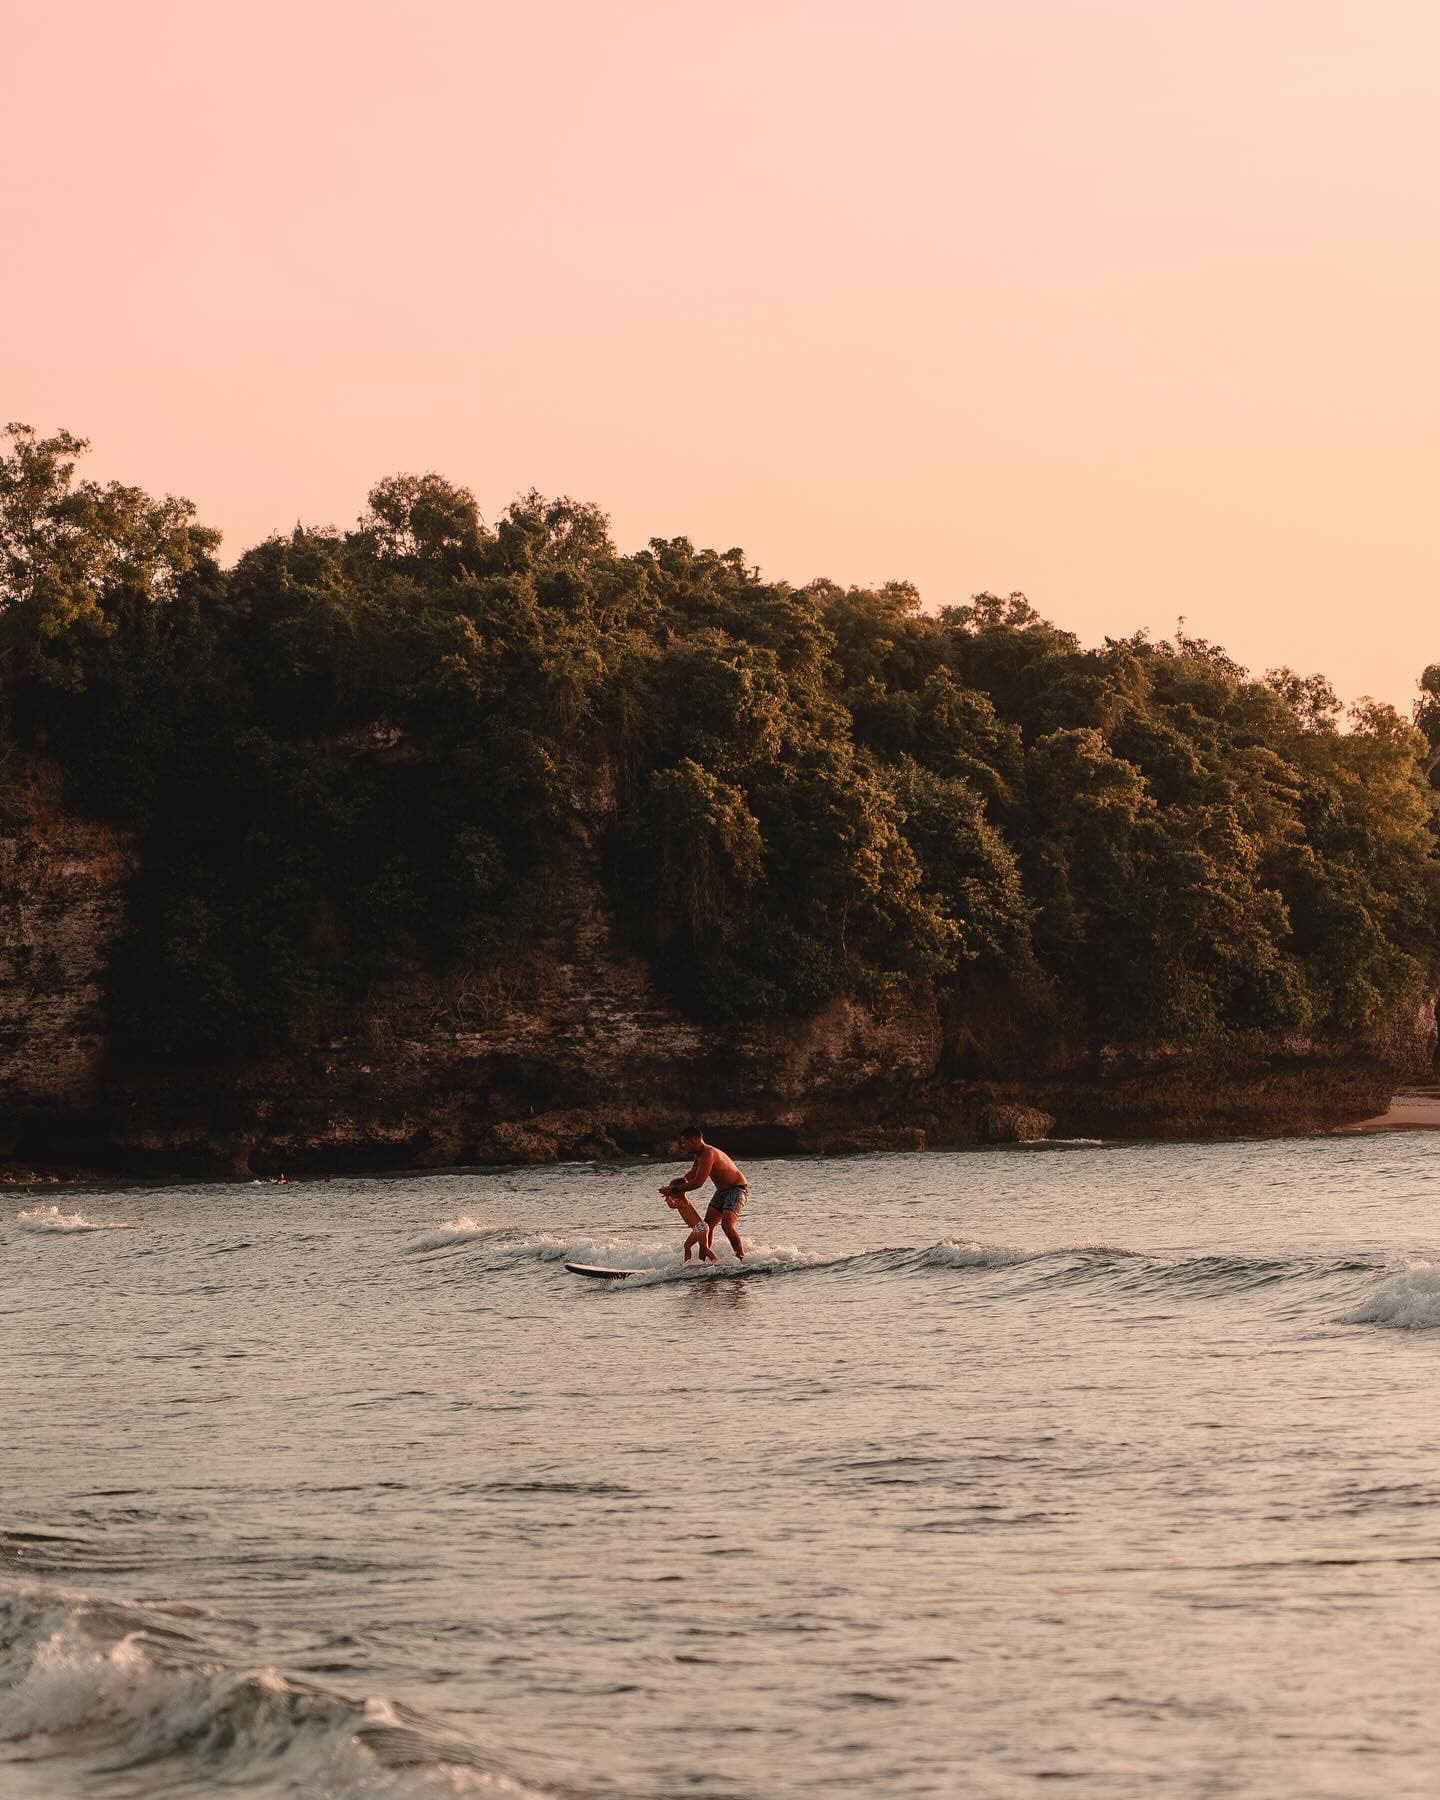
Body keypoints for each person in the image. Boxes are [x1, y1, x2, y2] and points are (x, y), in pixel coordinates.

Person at [660, 1126, 748, 1261]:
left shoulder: (708, 1153)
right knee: (707, 1225)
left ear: (694, 1140)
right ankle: (704, 1262)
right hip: (721, 1191)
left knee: (726, 1225)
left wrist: (674, 1190)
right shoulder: (699, 1155)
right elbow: (692, 1174)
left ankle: (741, 1258)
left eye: (684, 1142)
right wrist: (673, 1186)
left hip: (737, 1189)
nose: (683, 1146)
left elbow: (698, 1182)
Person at [660, 1184, 717, 1263]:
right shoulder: (678, 1202)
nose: (671, 1197)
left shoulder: (683, 1201)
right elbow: (671, 1205)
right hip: (697, 1228)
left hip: (700, 1227)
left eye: (672, 1194)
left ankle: (715, 1261)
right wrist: (667, 1195)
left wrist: (667, 1194)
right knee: (687, 1245)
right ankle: (687, 1264)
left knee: (704, 1248)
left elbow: (672, 1204)